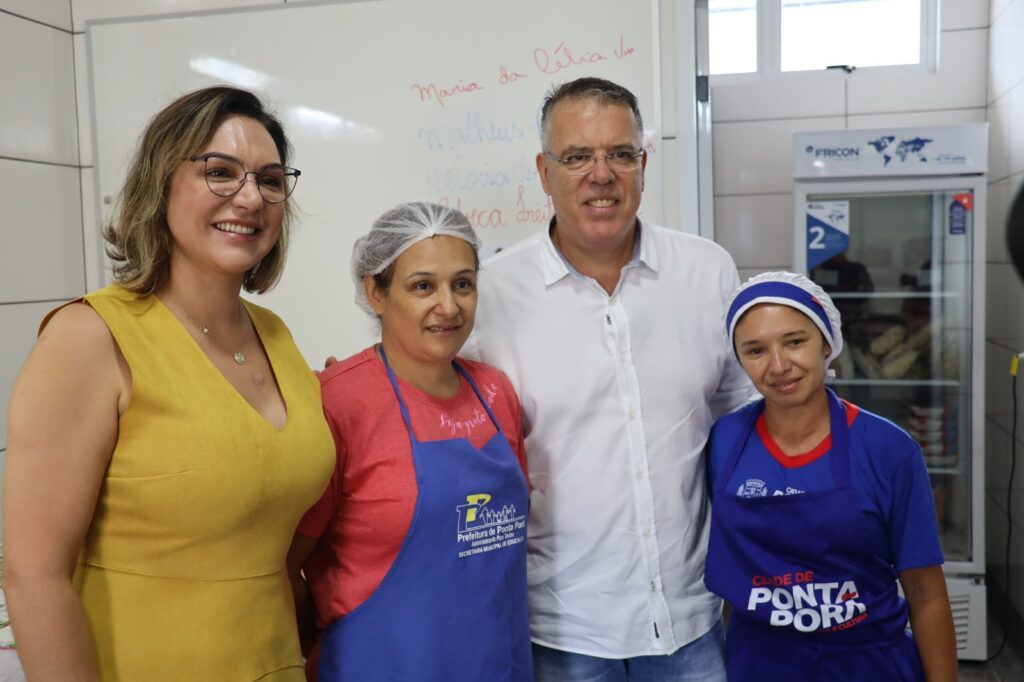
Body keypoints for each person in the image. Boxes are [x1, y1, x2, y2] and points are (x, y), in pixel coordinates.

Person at [2, 86, 335, 681]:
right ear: (161, 183)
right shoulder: (91, 338)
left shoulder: (276, 335)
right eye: (220, 172)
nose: (250, 197)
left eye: (270, 178)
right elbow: (31, 574)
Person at [464, 77, 755, 681]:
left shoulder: (706, 271)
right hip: (561, 627)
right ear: (544, 172)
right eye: (577, 157)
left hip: (690, 618)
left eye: (620, 154)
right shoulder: (491, 294)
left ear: (643, 166)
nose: (602, 174)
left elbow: (743, 425)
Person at [287, 202, 532, 681]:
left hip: (496, 665)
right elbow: (283, 563)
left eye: (463, 283)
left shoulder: (495, 392)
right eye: (423, 286)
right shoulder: (339, 402)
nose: (449, 306)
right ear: (375, 292)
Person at [705, 271, 957, 681]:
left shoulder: (888, 449)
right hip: (759, 663)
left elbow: (926, 592)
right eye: (755, 350)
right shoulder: (724, 442)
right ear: (739, 360)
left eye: (795, 341)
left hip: (867, 663)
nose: (779, 365)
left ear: (826, 342)